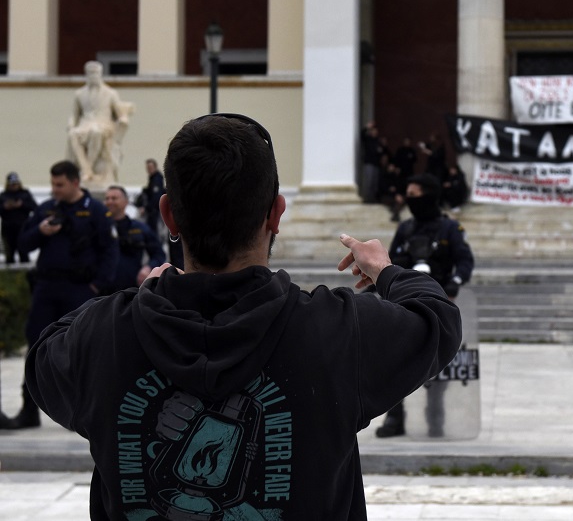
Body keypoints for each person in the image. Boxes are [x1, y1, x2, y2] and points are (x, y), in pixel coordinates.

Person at [24, 114, 462, 519]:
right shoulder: (340, 330)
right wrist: (385, 271)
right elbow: (438, 319)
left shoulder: (101, 337)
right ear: (275, 214)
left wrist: (139, 299)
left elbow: (43, 354)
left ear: (169, 215)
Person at [5, 160, 118, 430]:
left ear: (75, 182)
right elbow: (23, 242)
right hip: (46, 288)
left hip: (79, 289)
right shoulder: (46, 209)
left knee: (82, 350)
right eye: (53, 184)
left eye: (60, 184)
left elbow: (109, 251)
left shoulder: (95, 211)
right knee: (35, 347)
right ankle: (29, 411)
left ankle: (88, 414)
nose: (54, 189)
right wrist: (40, 231)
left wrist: (97, 286)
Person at [376, 173, 474, 437]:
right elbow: (389, 263)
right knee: (395, 361)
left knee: (437, 363)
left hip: (438, 303)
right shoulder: (406, 229)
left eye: (415, 195)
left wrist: (455, 282)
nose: (410, 200)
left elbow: (465, 261)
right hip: (404, 304)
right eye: (408, 195)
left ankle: (435, 417)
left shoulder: (449, 228)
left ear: (430, 196)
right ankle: (395, 418)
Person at [66, 60, 135, 185]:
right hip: (85, 124)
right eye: (91, 73)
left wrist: (123, 119)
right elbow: (74, 115)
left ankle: (87, 169)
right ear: (86, 74)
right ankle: (87, 170)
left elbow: (119, 112)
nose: (93, 76)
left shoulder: (111, 93)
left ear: (100, 74)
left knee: (96, 132)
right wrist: (71, 125)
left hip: (104, 124)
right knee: (73, 134)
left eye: (96, 73)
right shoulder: (79, 94)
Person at [104, 185, 166, 293]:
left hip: (131, 291)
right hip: (102, 291)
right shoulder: (99, 228)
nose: (110, 202)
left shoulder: (140, 228)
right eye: (107, 198)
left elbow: (159, 254)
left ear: (125, 202)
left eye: (114, 198)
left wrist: (148, 267)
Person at [0, 172, 38, 264]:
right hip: (8, 230)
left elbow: (35, 207)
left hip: (23, 229)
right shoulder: (3, 195)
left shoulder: (25, 194)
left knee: (24, 254)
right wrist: (5, 207)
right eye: (12, 184)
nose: (14, 186)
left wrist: (22, 205)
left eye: (15, 184)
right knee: (9, 256)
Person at [135, 158, 165, 234]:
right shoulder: (152, 178)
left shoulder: (156, 179)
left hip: (153, 210)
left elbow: (156, 197)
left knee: (152, 230)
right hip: (152, 209)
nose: (149, 169)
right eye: (148, 168)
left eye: (151, 167)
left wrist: (146, 208)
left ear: (155, 167)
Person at [361, 120, 384, 203]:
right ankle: (367, 198)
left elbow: (382, 152)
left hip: (376, 164)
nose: (374, 132)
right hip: (369, 163)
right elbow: (362, 135)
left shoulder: (378, 141)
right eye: (373, 131)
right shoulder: (368, 139)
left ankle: (373, 199)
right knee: (369, 182)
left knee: (375, 183)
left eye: (376, 131)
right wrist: (367, 127)